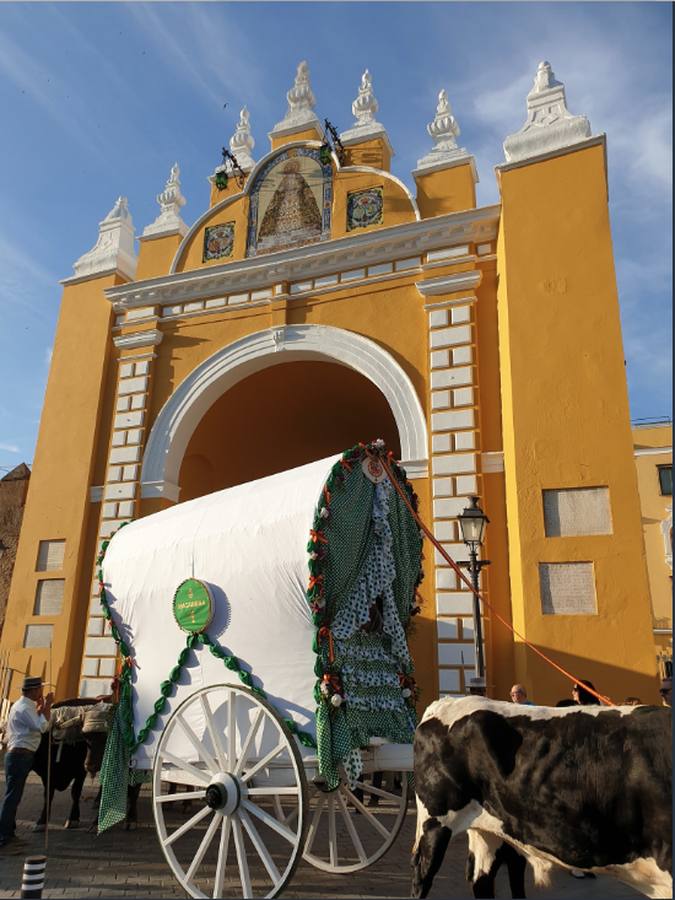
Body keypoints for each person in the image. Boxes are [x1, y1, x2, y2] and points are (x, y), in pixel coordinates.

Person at [0, 676, 53, 849]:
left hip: (18, 756)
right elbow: (42, 727)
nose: (42, 692)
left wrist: (40, 709)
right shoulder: (24, 708)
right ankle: (4, 837)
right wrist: (47, 707)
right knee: (12, 797)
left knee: (13, 796)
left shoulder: (22, 706)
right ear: (34, 690)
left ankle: (9, 832)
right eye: (40, 689)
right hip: (20, 756)